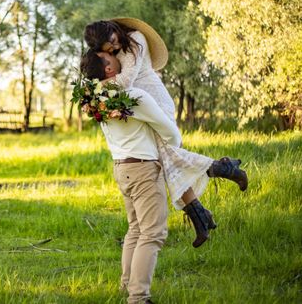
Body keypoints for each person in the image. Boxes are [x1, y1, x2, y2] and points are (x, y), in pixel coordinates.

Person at [82, 18, 248, 248]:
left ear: (113, 29)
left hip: (154, 102)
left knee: (170, 159)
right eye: (108, 50)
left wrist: (94, 91)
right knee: (170, 163)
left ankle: (223, 174)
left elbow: (127, 80)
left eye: (113, 42)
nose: (115, 48)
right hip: (140, 108)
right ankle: (203, 213)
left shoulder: (135, 39)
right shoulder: (114, 48)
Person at [80, 50, 179, 303]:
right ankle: (138, 297)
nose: (120, 58)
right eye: (112, 57)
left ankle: (127, 286)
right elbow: (171, 133)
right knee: (153, 233)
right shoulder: (135, 97)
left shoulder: (97, 102)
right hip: (143, 169)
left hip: (121, 168)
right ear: (109, 70)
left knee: (135, 229)